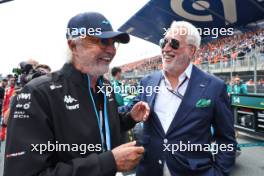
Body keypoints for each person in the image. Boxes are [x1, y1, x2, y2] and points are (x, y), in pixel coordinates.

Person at [4, 12, 150, 176]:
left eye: (114, 43)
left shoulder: (105, 86)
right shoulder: (37, 93)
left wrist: (130, 118)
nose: (111, 50)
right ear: (74, 46)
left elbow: (101, 127)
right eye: (102, 41)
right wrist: (109, 163)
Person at [130, 21, 237, 176]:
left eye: (174, 43)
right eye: (163, 42)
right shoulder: (147, 82)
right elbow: (128, 113)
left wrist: (219, 173)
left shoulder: (215, 86)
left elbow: (226, 140)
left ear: (191, 50)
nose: (166, 48)